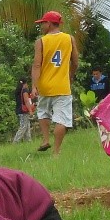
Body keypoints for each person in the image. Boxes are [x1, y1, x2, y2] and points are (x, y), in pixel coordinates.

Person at [32, 11, 78, 154]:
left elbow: (37, 65)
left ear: (49, 23)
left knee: (43, 113)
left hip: (44, 86)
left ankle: (45, 139)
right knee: (62, 119)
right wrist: (70, 75)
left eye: (42, 23)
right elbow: (75, 61)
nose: (41, 27)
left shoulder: (41, 41)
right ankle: (56, 152)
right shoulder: (69, 39)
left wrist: (34, 85)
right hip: (62, 86)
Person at [12, 78, 35, 143]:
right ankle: (15, 142)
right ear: (25, 83)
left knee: (27, 126)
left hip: (19, 110)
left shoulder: (18, 90)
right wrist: (30, 110)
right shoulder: (24, 90)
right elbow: (26, 101)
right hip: (24, 111)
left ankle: (28, 141)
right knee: (23, 126)